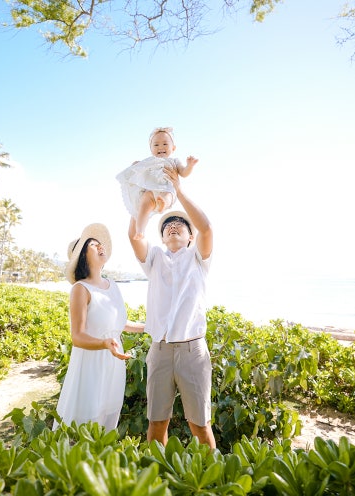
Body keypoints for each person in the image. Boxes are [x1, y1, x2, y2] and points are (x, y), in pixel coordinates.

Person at [128, 165, 216, 449]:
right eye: (167, 225)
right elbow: (134, 235)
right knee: (156, 422)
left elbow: (206, 228)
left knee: (199, 425)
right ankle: (159, 471)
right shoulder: (154, 258)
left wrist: (178, 189)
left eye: (181, 224)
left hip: (193, 351)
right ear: (162, 237)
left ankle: (208, 473)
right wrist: (142, 197)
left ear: (191, 237)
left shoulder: (198, 258)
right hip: (160, 349)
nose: (173, 225)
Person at [54, 223, 145, 431]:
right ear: (82, 256)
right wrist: (104, 343)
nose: (100, 246)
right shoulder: (80, 289)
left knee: (107, 420)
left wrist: (151, 327)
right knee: (86, 424)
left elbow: (120, 324)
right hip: (91, 364)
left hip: (113, 363)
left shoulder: (113, 285)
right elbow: (77, 336)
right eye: (93, 245)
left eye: (100, 243)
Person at [116, 127, 198, 241]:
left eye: (165, 144)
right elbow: (138, 170)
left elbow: (184, 173)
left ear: (173, 148)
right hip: (150, 190)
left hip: (167, 188)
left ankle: (162, 204)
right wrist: (136, 165)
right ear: (151, 148)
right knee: (143, 206)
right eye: (156, 145)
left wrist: (190, 166)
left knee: (167, 196)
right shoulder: (149, 161)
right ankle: (140, 230)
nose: (160, 147)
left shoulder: (174, 161)